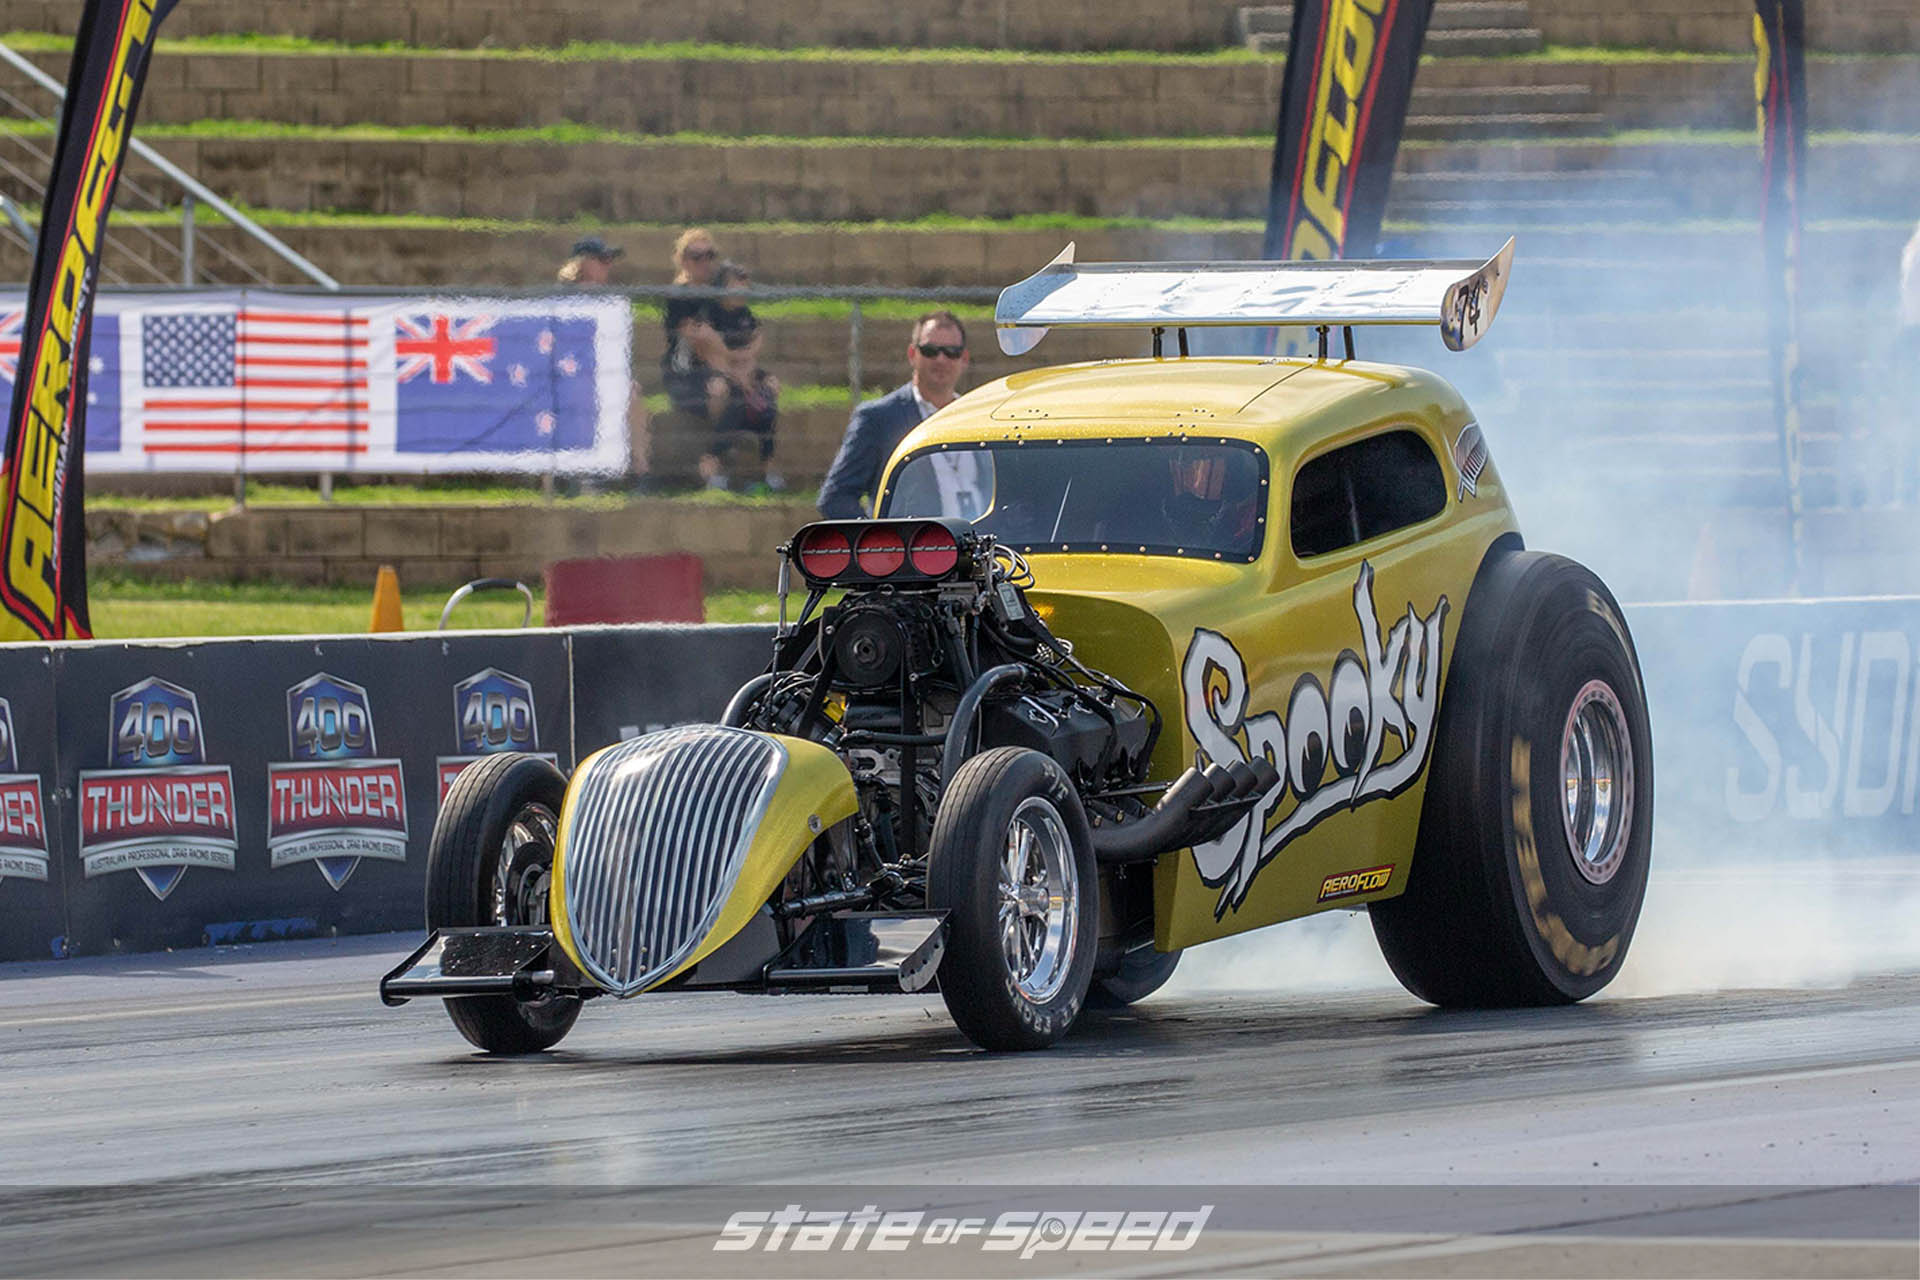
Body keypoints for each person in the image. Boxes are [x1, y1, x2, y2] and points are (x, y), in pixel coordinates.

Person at [818, 311, 972, 519]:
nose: (941, 359)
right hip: (915, 549)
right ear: (912, 354)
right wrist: (876, 542)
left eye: (951, 351)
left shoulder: (977, 416)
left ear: (964, 358)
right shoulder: (879, 418)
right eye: (930, 350)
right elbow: (836, 497)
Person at [701, 318, 782, 491]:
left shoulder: (761, 376)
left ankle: (771, 477)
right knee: (730, 411)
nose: (741, 355)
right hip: (729, 418)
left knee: (768, 419)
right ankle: (713, 479)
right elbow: (715, 403)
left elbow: (773, 389)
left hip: (757, 418)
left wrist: (757, 386)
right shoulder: (721, 375)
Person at [661, 228, 724, 415]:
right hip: (686, 373)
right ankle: (721, 443)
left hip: (722, 367)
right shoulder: (678, 296)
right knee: (719, 388)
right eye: (697, 257)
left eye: (709, 255)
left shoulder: (722, 293)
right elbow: (699, 340)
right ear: (684, 261)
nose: (704, 262)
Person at [556, 235, 621, 285]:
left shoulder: (608, 297)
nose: (609, 266)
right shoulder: (560, 297)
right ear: (582, 262)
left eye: (610, 260)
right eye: (603, 259)